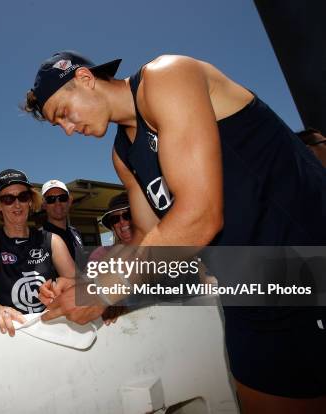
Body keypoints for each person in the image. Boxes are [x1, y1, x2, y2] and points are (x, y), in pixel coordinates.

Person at [23, 50, 326, 412]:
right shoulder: (123, 155)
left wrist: (104, 290)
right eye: (60, 126)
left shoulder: (166, 77)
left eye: (63, 113)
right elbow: (152, 241)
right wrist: (90, 281)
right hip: (249, 289)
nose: (69, 129)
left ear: (85, 79)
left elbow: (200, 216)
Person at [0, 169, 76, 336]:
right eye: (8, 199)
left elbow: (75, 281)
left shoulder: (52, 240)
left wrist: (64, 287)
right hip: (8, 332)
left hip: (49, 329)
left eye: (23, 197)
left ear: (31, 202)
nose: (17, 204)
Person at [40, 179, 85, 265]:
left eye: (62, 198)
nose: (58, 203)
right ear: (44, 205)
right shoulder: (39, 238)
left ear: (69, 201)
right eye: (51, 199)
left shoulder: (75, 233)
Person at [89, 192, 132, 262]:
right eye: (115, 219)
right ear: (112, 226)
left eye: (128, 215)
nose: (122, 221)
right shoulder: (100, 253)